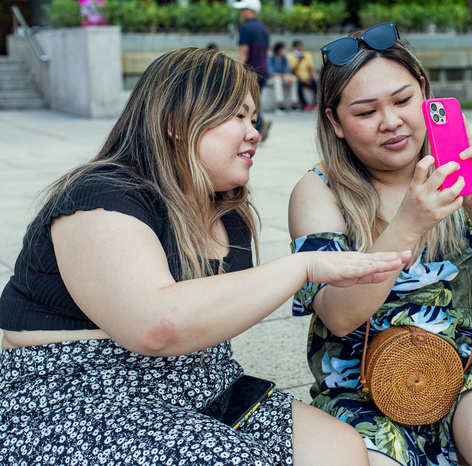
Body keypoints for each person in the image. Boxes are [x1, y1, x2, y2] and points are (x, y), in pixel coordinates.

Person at [0, 47, 412, 465]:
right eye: (238, 116)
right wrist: (301, 265)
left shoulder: (225, 212)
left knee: (341, 451)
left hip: (202, 383)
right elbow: (155, 327)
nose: (254, 131)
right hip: (78, 393)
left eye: (254, 118)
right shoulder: (101, 196)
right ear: (178, 121)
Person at [288, 22, 472, 466]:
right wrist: (408, 224)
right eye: (364, 112)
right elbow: (339, 316)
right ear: (334, 121)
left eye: (402, 100)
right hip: (367, 383)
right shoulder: (318, 191)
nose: (391, 122)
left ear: (425, 92)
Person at [233, 0, 272, 142]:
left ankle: (259, 124)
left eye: (244, 9)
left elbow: (243, 50)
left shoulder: (246, 28)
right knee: (255, 101)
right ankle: (260, 123)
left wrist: (238, 70)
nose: (241, 13)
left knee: (247, 103)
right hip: (263, 71)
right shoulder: (263, 29)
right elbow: (267, 52)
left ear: (251, 10)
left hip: (250, 72)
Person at [268, 41, 301, 114]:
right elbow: (272, 73)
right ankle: (280, 106)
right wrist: (284, 76)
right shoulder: (271, 58)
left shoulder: (284, 59)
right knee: (277, 80)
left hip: (283, 77)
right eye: (284, 49)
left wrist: (288, 77)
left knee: (294, 79)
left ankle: (293, 104)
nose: (285, 50)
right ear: (278, 50)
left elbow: (288, 71)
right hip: (272, 79)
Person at [288, 40, 319, 112]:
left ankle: (315, 103)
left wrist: (315, 78)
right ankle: (305, 105)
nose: (299, 48)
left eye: (300, 46)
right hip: (298, 78)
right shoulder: (290, 56)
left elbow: (311, 68)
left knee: (316, 85)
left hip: (307, 78)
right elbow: (291, 71)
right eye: (297, 47)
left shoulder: (307, 55)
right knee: (298, 87)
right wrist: (299, 61)